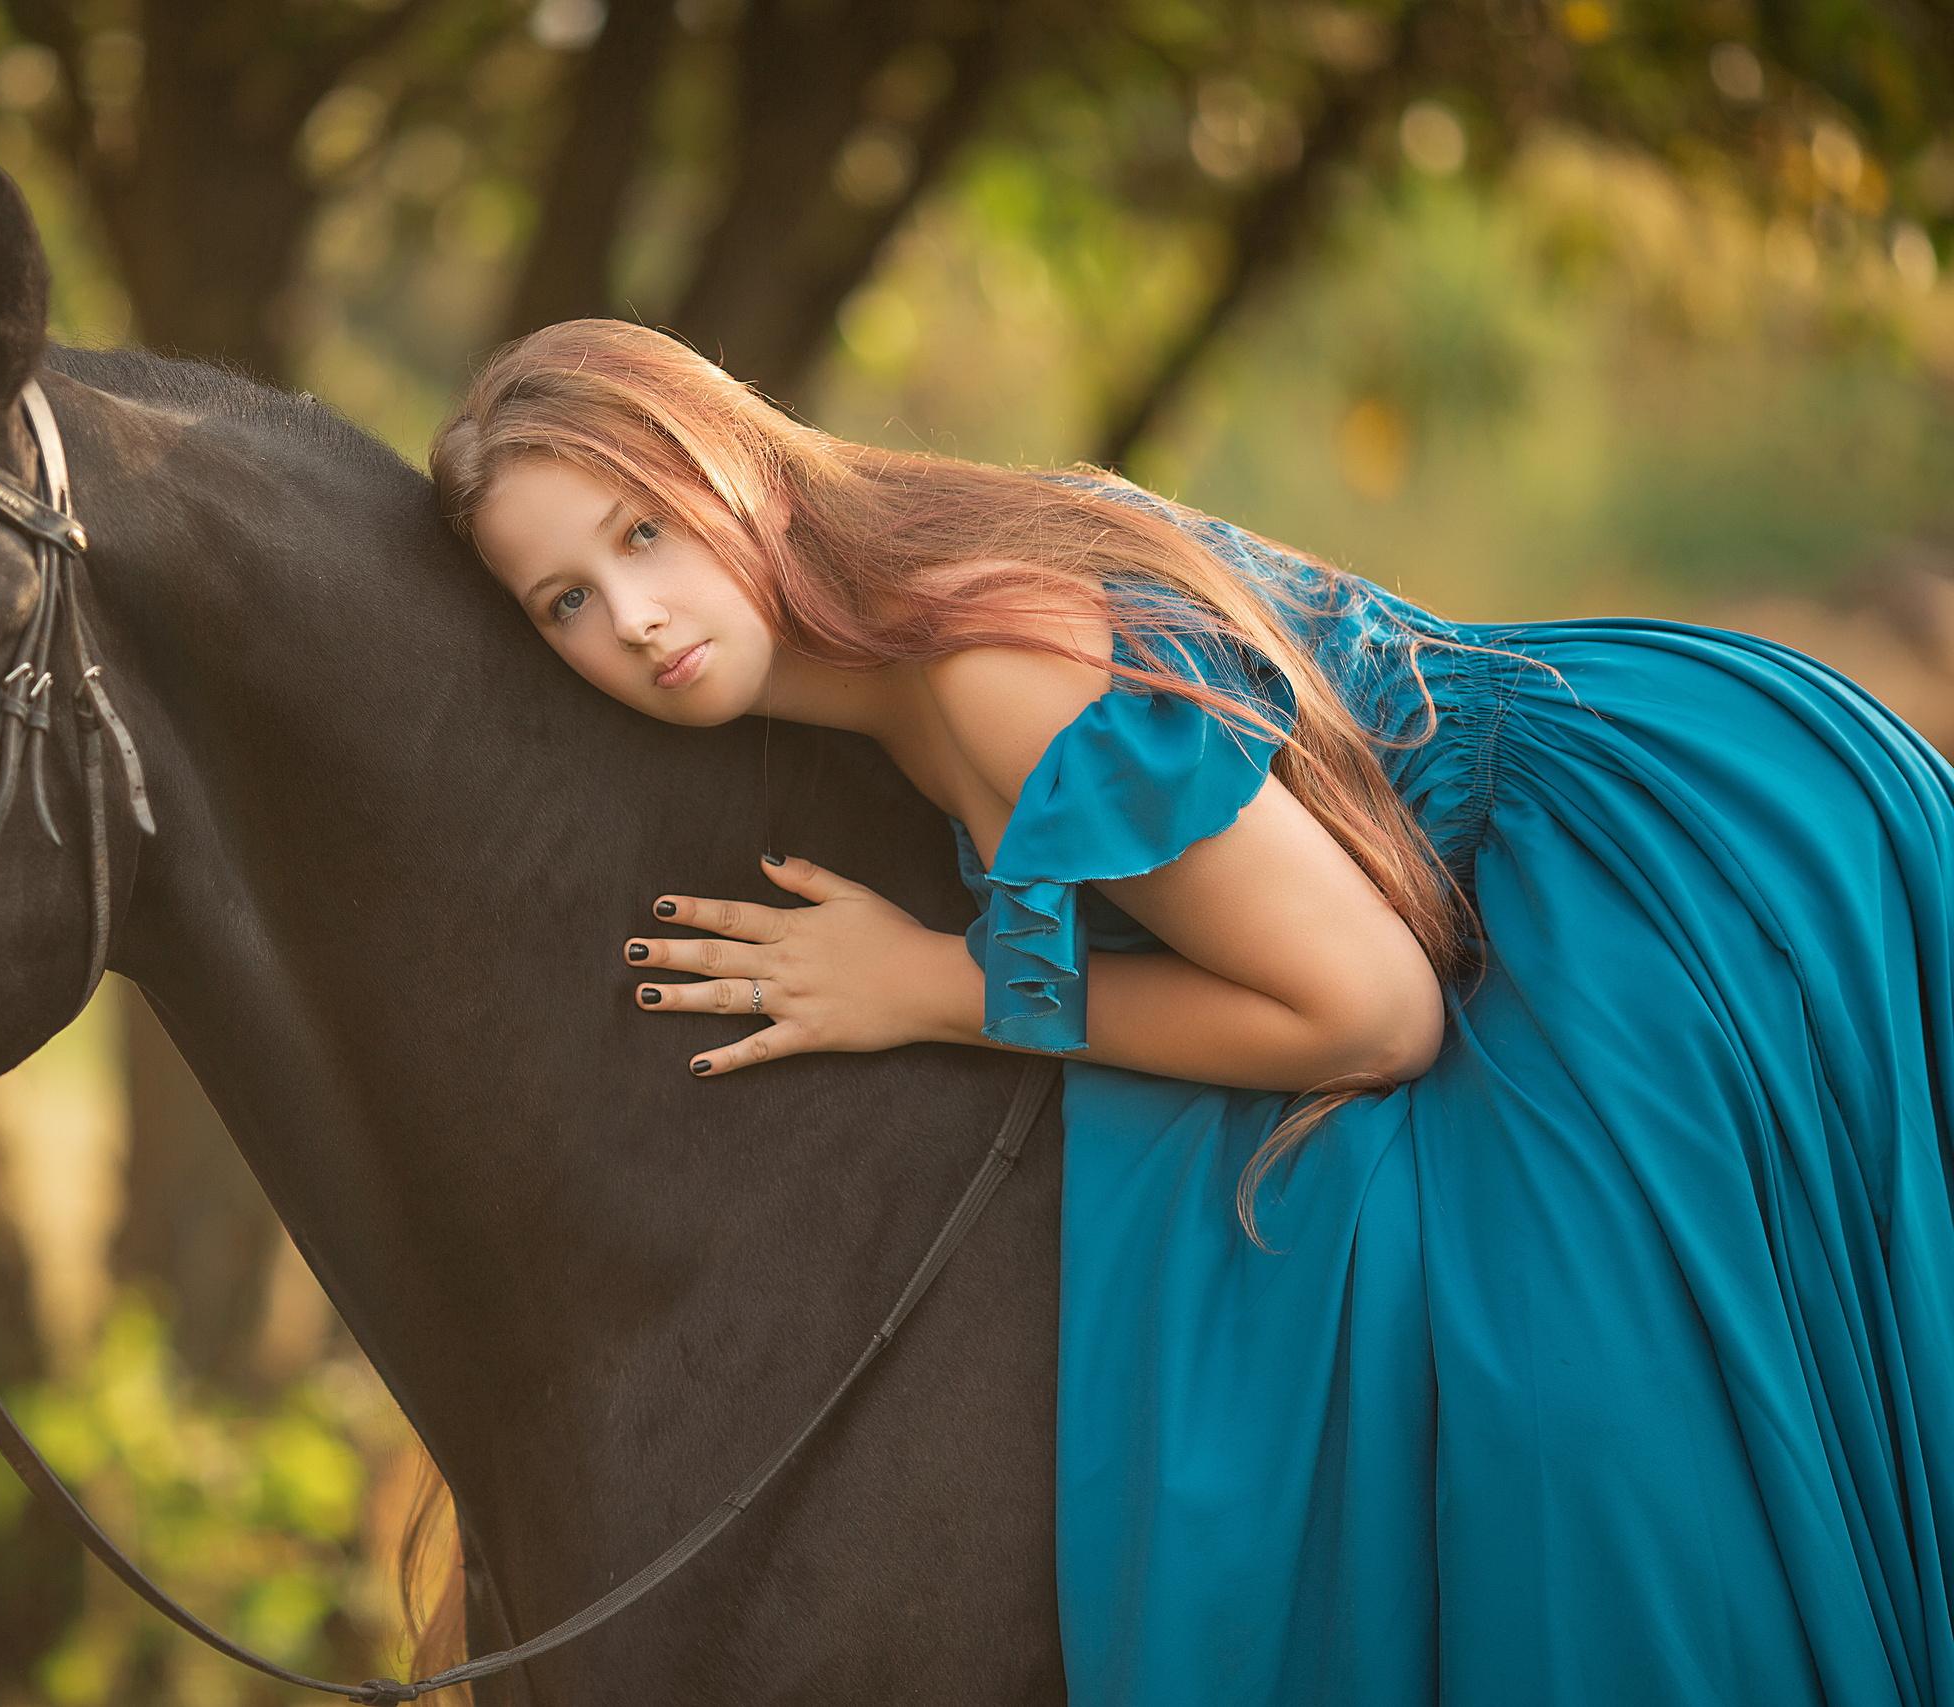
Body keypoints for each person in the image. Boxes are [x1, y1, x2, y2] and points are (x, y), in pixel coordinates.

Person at [428, 318, 1954, 1705]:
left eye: (645, 530)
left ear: (729, 464)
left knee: (1574, 1423)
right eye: (568, 600)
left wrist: (934, 985)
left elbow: (1376, 1017)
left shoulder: (982, 672)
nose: (635, 617)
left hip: (1651, 889)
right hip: (1553, 859)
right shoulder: (882, 652)